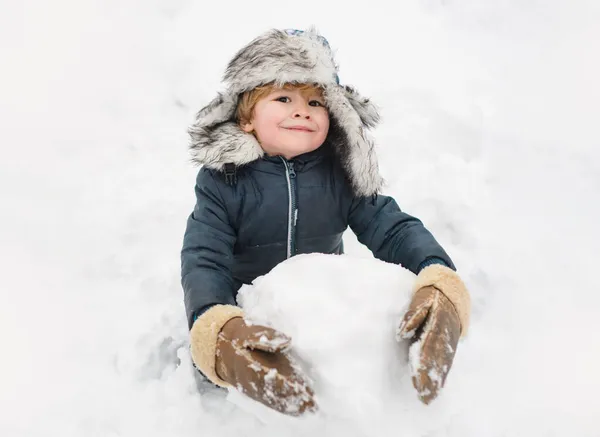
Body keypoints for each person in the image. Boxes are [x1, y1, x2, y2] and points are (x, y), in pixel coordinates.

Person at [181, 28, 471, 416]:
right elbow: (204, 256)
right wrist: (216, 323)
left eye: (316, 102)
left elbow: (392, 226)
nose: (302, 110)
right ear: (246, 118)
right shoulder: (224, 181)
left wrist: (436, 274)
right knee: (235, 405)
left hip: (315, 311)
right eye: (283, 98)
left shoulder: (340, 176)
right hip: (248, 317)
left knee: (329, 395)